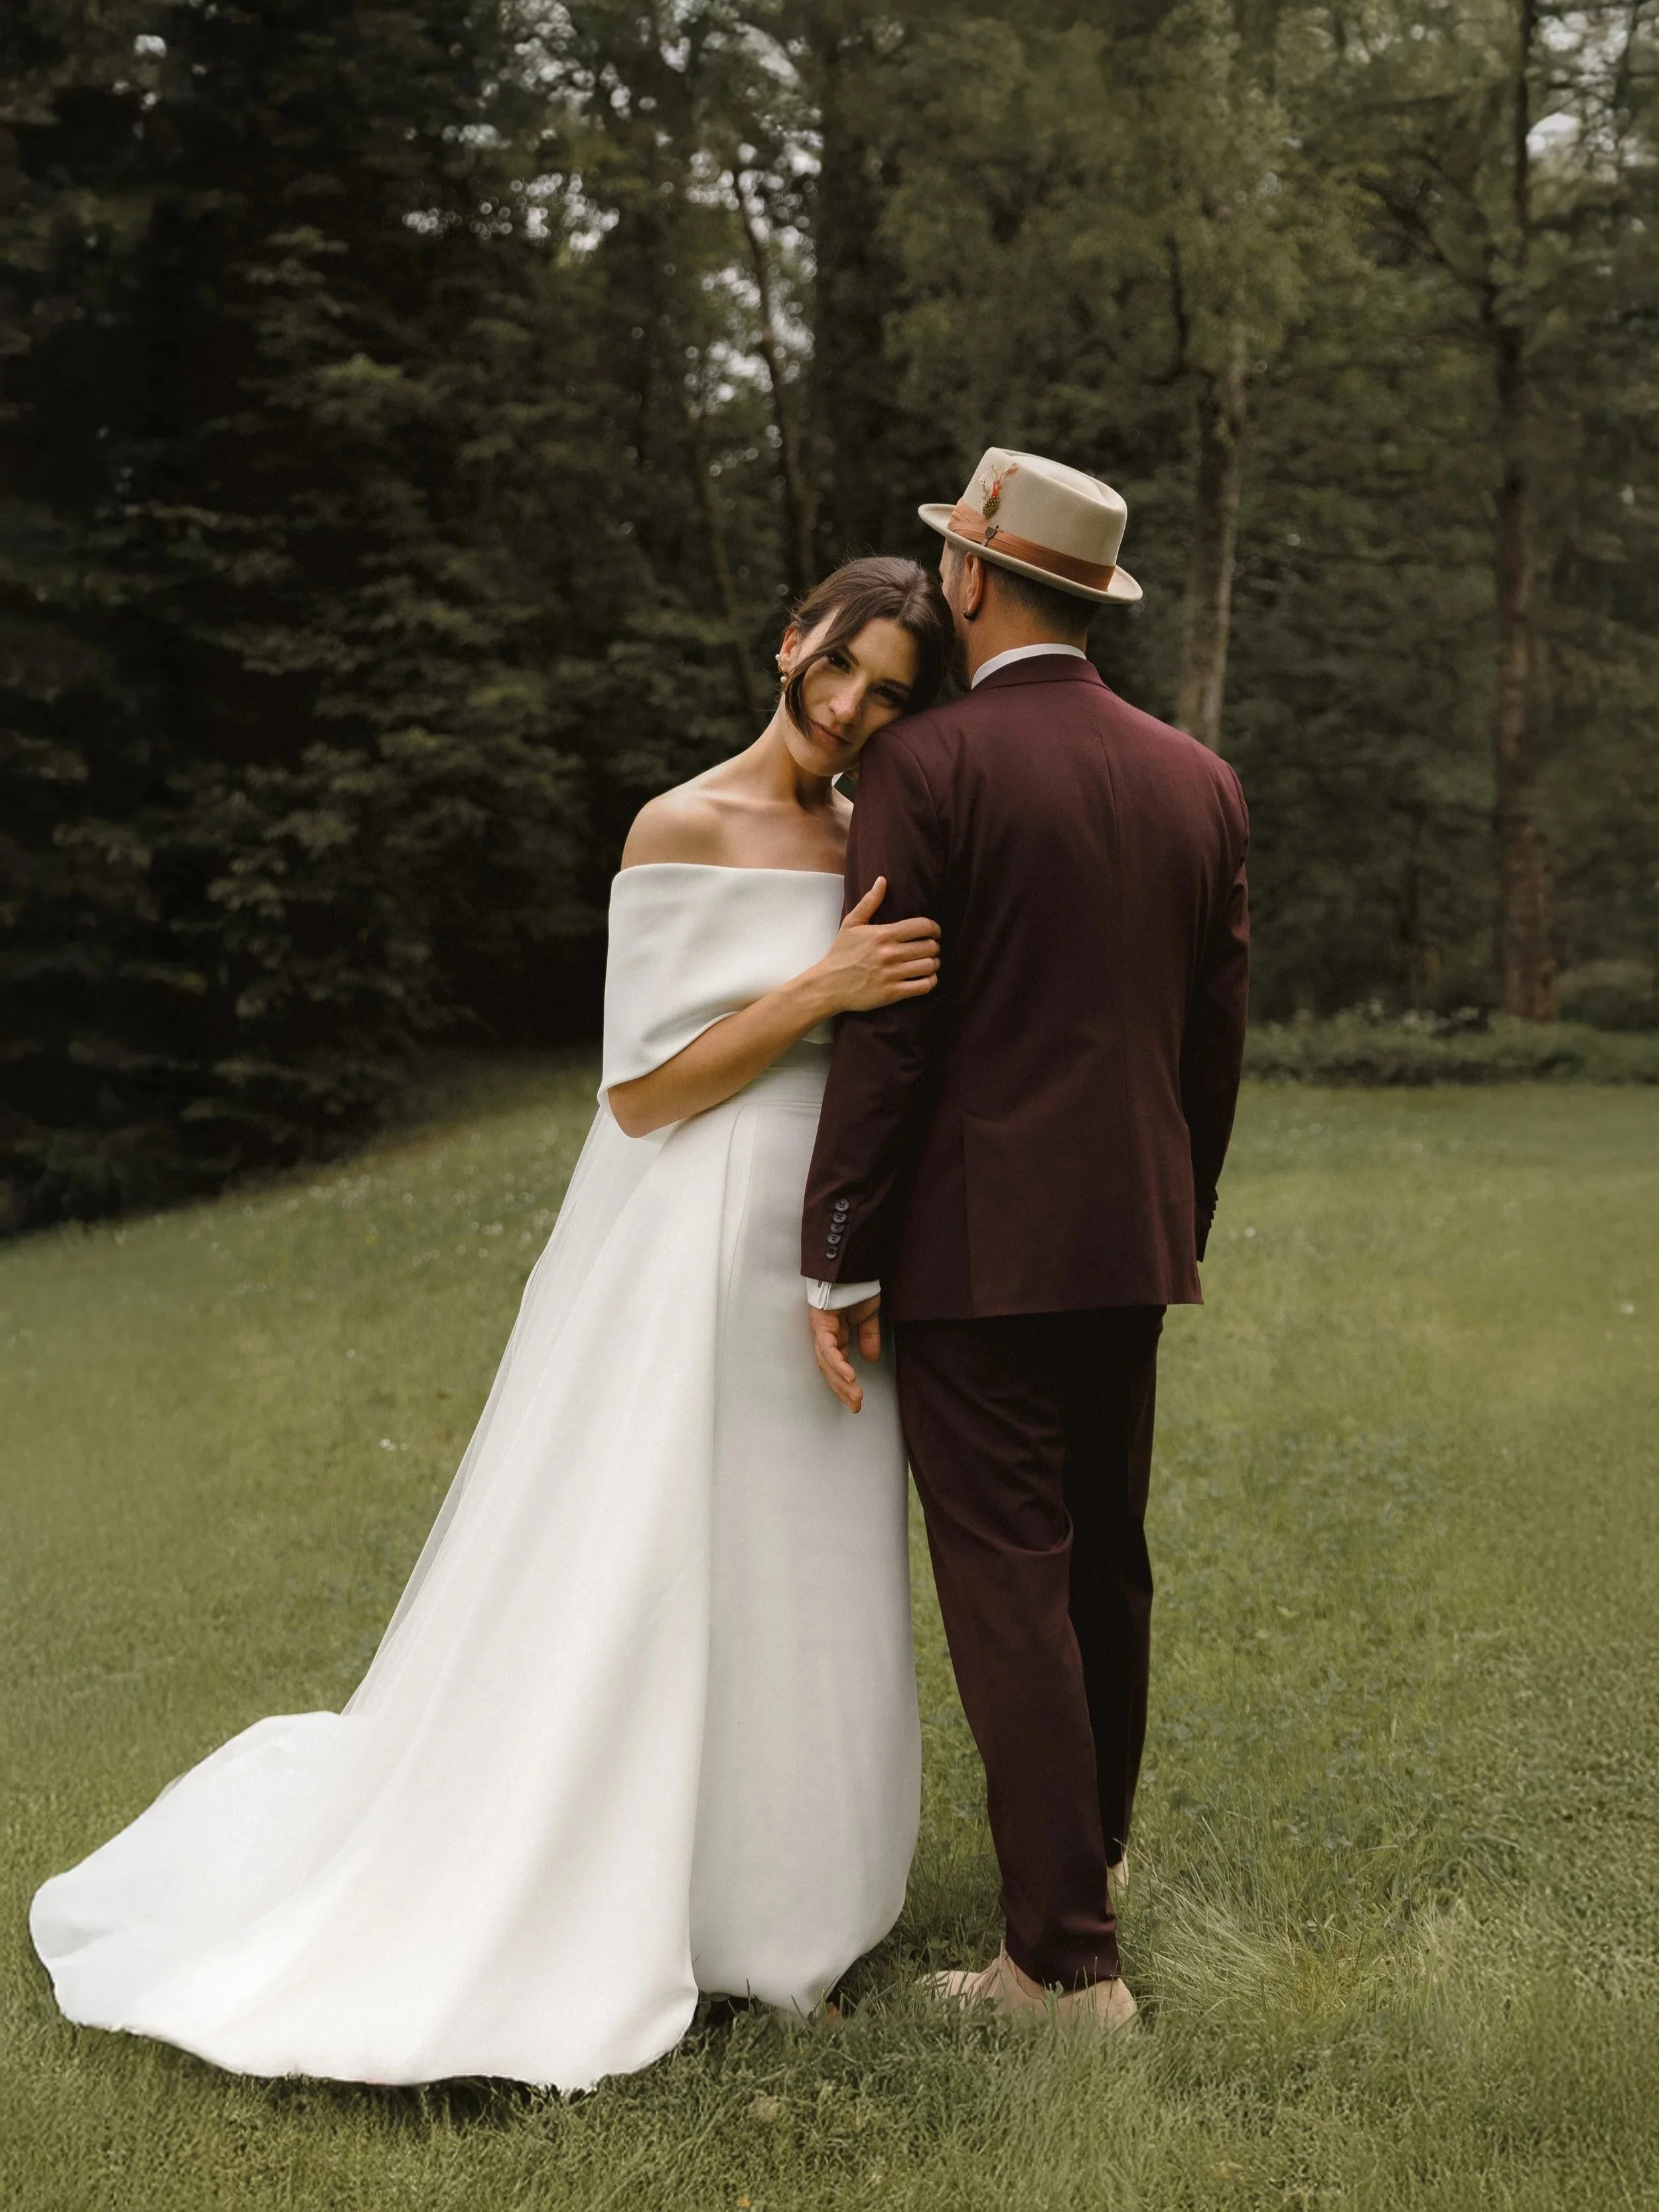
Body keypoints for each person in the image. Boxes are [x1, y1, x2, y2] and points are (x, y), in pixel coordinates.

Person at [31, 555, 956, 2093]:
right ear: (788, 640)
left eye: (889, 695)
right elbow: (644, 1090)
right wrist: (822, 987)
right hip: (686, 1246)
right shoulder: (682, 824)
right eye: (838, 666)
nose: (850, 707)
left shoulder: (869, 840)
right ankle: (602, 1885)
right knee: (657, 1560)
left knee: (805, 1563)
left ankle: (781, 1926)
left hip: (815, 1248)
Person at [802, 448, 1250, 2033]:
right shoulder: (1197, 779)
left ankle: (1060, 1967)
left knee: (1008, 1577)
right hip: (1128, 1234)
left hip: (973, 1247)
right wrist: (1169, 1212)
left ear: (975, 578)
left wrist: (836, 1250)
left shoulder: (930, 769)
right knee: (1101, 1567)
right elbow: (1212, 1043)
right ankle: (1088, 1870)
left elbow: (890, 1036)